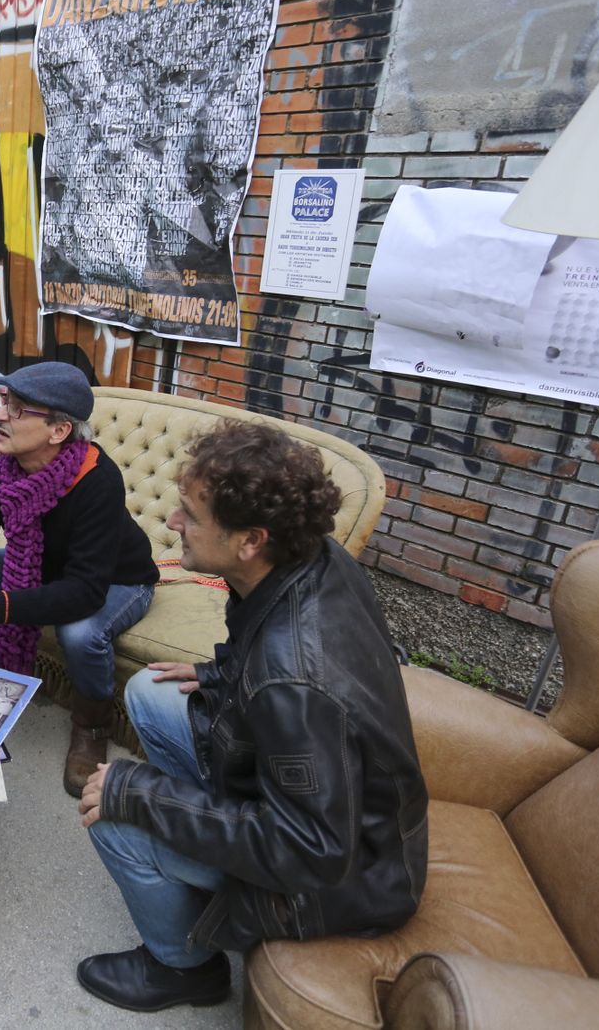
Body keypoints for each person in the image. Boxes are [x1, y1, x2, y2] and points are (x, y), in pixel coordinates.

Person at [74, 419, 427, 1011]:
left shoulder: (293, 683)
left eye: (189, 513)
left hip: (346, 882)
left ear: (250, 540)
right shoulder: (311, 559)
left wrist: (147, 797)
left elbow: (312, 849)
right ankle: (195, 842)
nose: (172, 523)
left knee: (111, 810)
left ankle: (182, 968)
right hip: (322, 811)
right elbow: (266, 650)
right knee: (148, 695)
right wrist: (216, 674)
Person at [0, 361, 157, 797]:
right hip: (45, 566)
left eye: (18, 408)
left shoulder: (97, 480)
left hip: (118, 578)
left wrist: (0, 605)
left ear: (59, 430)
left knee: (80, 634)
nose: (0, 414)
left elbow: (85, 590)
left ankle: (91, 725)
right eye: (6, 400)